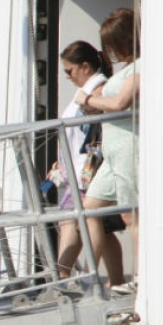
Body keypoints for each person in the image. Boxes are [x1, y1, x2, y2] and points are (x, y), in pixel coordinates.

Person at [75, 8, 140, 284]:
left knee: (131, 215)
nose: (111, 53)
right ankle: (94, 275)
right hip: (111, 151)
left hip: (128, 146)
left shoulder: (141, 67)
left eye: (112, 45)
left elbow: (119, 103)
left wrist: (88, 101)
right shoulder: (126, 70)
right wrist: (94, 102)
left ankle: (140, 278)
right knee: (90, 207)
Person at [50, 41, 124, 284]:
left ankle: (62, 277)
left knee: (73, 222)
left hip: (87, 168)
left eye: (69, 71)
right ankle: (116, 281)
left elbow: (95, 130)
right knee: (100, 227)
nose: (68, 77)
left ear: (84, 66)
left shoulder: (98, 90)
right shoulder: (85, 90)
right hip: (76, 166)